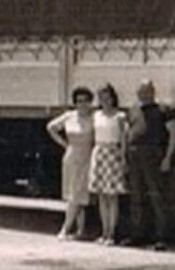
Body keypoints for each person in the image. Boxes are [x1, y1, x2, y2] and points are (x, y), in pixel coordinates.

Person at [126, 79, 175, 250]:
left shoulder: (163, 110)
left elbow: (173, 135)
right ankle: (137, 235)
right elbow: (127, 134)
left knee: (157, 196)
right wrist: (124, 156)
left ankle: (161, 237)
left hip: (154, 154)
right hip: (135, 154)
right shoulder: (133, 110)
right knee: (136, 196)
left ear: (153, 92)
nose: (144, 94)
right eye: (141, 91)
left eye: (147, 90)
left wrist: (167, 158)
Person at [46, 86, 95, 240]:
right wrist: (64, 144)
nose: (82, 104)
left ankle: (66, 229)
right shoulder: (69, 116)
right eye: (79, 101)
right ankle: (78, 230)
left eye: (86, 101)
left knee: (78, 195)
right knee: (73, 195)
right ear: (75, 103)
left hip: (87, 156)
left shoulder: (94, 118)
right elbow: (51, 127)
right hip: (71, 156)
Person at [89, 83, 129, 245]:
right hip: (99, 152)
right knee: (101, 196)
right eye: (101, 97)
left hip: (113, 153)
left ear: (113, 98)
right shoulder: (96, 115)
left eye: (107, 97)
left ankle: (112, 233)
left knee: (112, 197)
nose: (105, 100)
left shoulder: (120, 116)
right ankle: (104, 231)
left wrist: (124, 157)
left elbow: (124, 139)